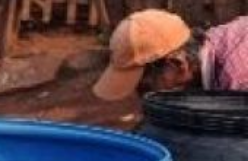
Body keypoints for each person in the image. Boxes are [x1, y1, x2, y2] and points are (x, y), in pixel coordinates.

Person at [93, 8, 248, 100]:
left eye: (145, 87)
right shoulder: (215, 44)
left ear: (177, 64)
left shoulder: (238, 85)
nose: (145, 98)